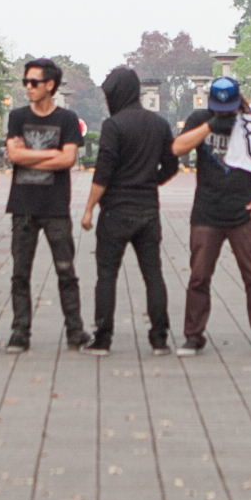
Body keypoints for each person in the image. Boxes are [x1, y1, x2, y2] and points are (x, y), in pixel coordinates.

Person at [171, 76, 251, 355]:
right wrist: (210, 126)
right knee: (199, 277)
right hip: (207, 212)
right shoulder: (200, 118)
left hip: (245, 211)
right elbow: (177, 147)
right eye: (219, 108)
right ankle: (193, 336)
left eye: (228, 108)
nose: (224, 112)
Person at [81, 65, 176, 353]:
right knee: (153, 275)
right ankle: (159, 339)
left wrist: (89, 208)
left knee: (107, 275)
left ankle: (103, 339)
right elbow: (171, 164)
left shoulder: (114, 126)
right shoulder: (158, 124)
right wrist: (152, 180)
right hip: (148, 209)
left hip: (115, 211)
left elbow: (103, 172)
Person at [2, 58, 87, 351]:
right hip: (22, 206)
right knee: (20, 273)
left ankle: (75, 331)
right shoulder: (17, 117)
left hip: (56, 208)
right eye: (26, 81)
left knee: (66, 270)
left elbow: (68, 159)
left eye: (34, 82)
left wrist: (29, 156)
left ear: (50, 85)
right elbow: (14, 156)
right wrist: (52, 154)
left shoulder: (67, 119)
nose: (28, 87)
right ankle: (20, 332)